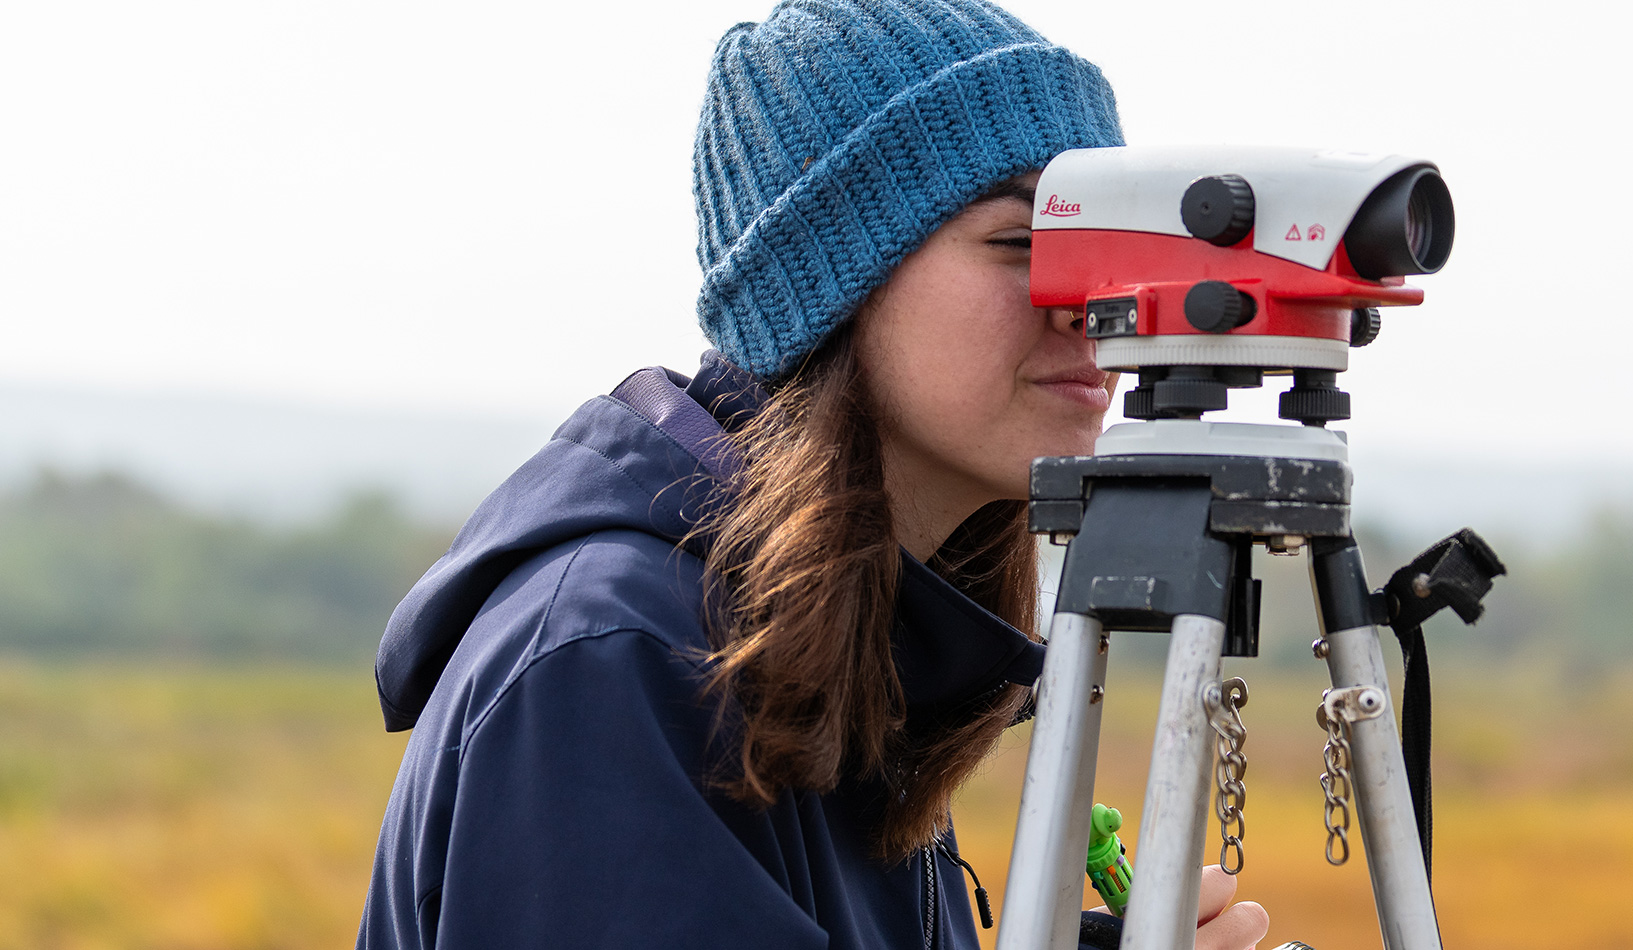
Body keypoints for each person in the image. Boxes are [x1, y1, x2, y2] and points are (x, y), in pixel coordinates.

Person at [358, 1, 1271, 948]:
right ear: (833, 278)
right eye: (1028, 244)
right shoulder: (621, 661)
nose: (1097, 305)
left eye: (1107, 250)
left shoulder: (847, 636)